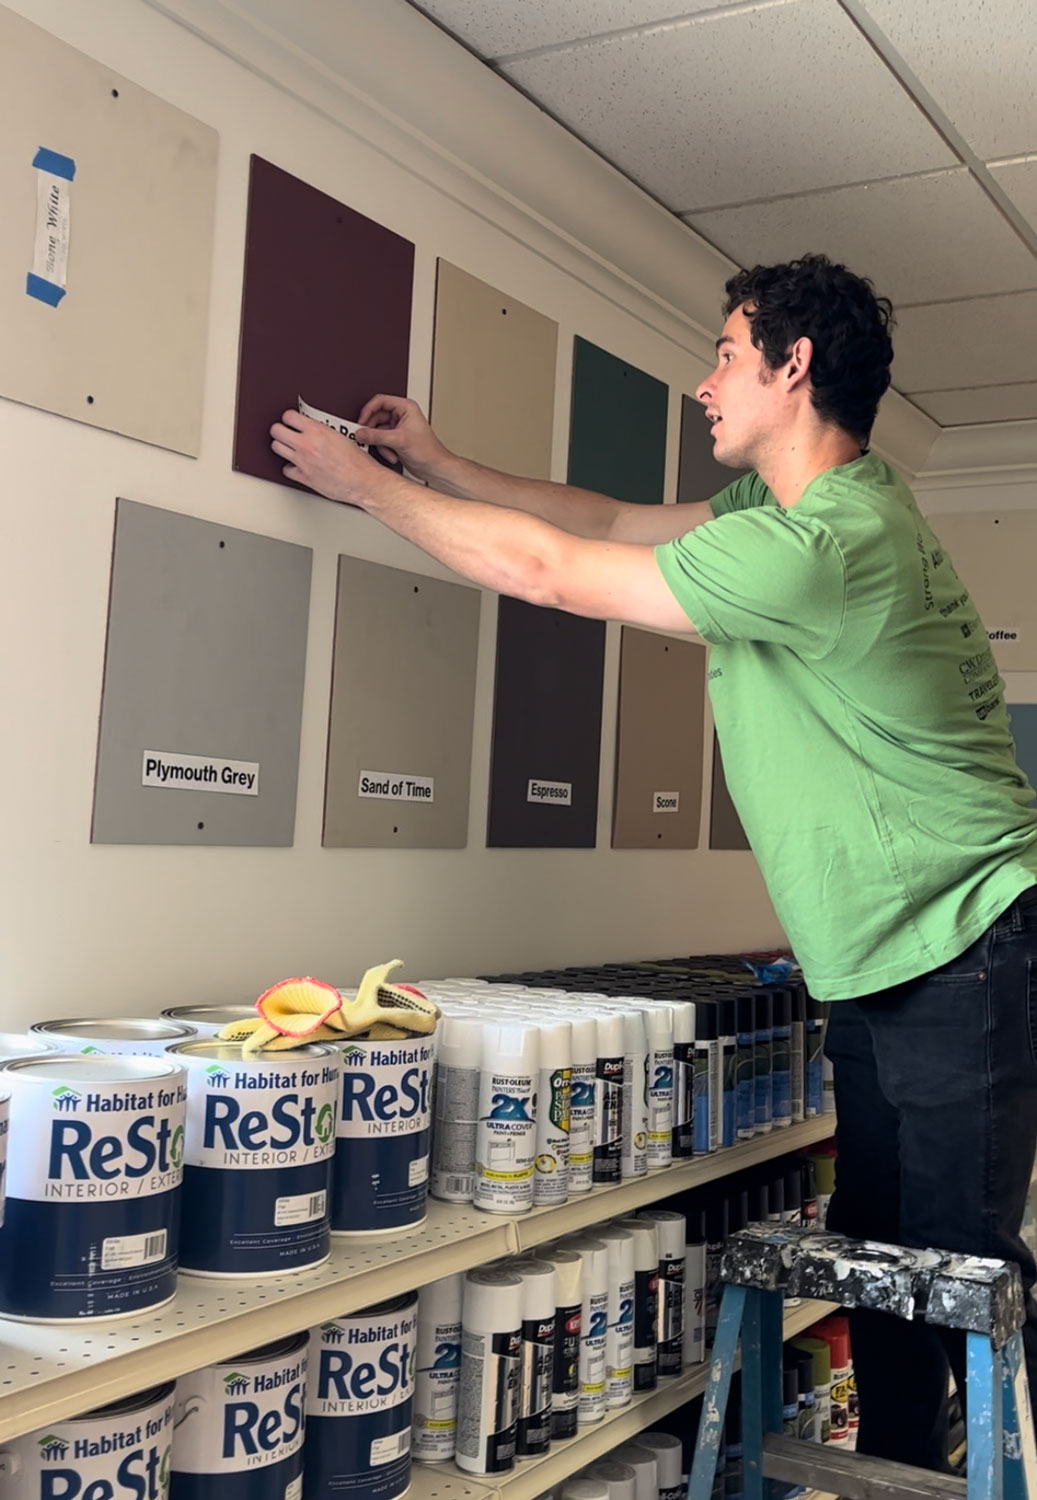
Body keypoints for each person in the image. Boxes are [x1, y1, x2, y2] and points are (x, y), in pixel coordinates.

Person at [271, 253, 1037, 1469]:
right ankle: (900, 1472)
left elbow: (550, 572)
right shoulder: (779, 513)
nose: (703, 381)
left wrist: (366, 490)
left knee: (960, 1267)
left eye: (727, 354)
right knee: (883, 1247)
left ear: (791, 369)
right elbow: (610, 521)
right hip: (880, 954)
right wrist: (436, 461)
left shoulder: (827, 545)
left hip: (963, 944)